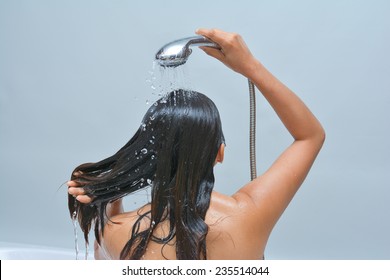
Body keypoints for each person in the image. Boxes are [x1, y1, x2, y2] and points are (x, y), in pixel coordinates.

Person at [67, 28, 325, 260]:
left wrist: (113, 191)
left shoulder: (116, 232)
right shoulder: (248, 216)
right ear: (220, 152)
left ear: (149, 156)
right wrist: (250, 66)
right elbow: (310, 136)